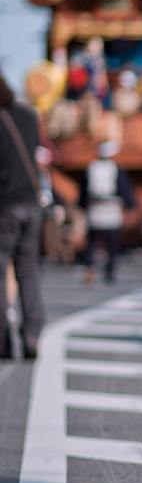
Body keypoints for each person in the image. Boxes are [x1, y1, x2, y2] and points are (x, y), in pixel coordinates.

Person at [0, 73, 47, 359]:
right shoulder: (28, 116)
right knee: (28, 271)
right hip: (32, 203)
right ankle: (31, 335)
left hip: (5, 206)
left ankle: (3, 340)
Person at [79, 140, 135, 284]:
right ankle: (109, 271)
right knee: (111, 242)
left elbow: (83, 190)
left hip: (96, 206)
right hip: (111, 207)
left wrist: (82, 205)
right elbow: (123, 188)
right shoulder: (115, 168)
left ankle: (89, 267)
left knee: (92, 241)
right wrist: (129, 206)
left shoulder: (91, 167)